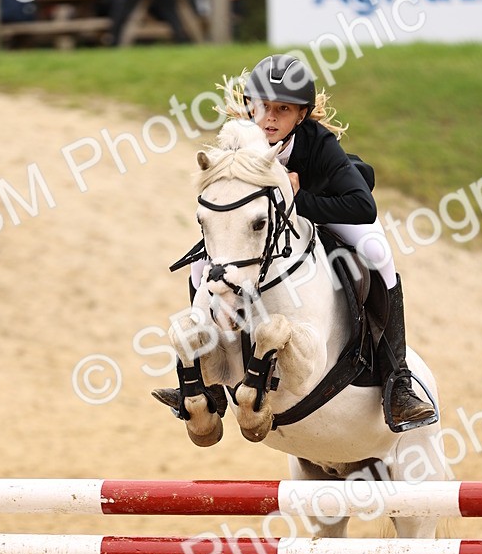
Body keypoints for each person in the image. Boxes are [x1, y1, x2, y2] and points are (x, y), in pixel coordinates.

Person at [166, 54, 438, 432]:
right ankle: (208, 383)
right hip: (262, 227)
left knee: (378, 252)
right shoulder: (239, 140)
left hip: (328, 209)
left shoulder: (319, 144)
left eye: (283, 109)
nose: (270, 119)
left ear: (302, 115)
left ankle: (398, 381)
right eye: (262, 107)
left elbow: (362, 206)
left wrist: (297, 200)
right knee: (202, 262)